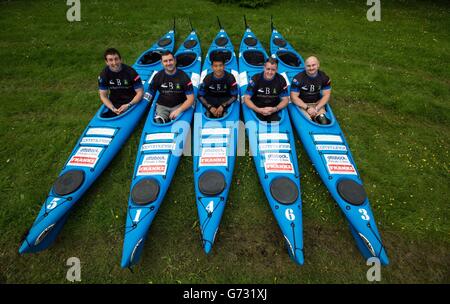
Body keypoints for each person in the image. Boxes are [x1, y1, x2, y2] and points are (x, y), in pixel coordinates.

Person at [144, 50, 194, 124]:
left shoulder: (184, 77)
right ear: (162, 63)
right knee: (158, 122)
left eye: (170, 60)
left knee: (177, 123)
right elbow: (150, 92)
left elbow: (191, 99)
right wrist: (143, 104)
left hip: (179, 105)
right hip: (162, 106)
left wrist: (179, 110)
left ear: (175, 61)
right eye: (165, 61)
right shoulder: (157, 76)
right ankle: (162, 119)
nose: (168, 63)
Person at [98, 48, 144, 118]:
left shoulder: (131, 72)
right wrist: (113, 108)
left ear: (121, 59)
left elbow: (140, 93)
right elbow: (103, 96)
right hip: (115, 102)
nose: (114, 63)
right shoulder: (103, 75)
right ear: (106, 62)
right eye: (110, 60)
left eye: (116, 59)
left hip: (131, 100)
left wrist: (129, 105)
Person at [244, 57, 289, 122]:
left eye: (273, 70)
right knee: (259, 127)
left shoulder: (281, 80)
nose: (270, 72)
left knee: (275, 128)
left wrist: (275, 109)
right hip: (257, 106)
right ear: (264, 68)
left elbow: (285, 99)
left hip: (273, 108)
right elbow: (246, 98)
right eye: (268, 69)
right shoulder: (255, 79)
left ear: (277, 70)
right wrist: (257, 109)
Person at [290, 56, 331, 124]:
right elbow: (293, 97)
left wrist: (316, 108)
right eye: (308, 66)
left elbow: (326, 95)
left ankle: (318, 117)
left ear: (318, 65)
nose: (311, 68)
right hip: (302, 104)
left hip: (317, 103)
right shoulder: (298, 79)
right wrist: (307, 108)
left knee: (324, 122)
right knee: (308, 122)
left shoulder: (325, 78)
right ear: (305, 67)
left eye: (313, 65)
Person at [198, 54, 238, 118]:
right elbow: (200, 95)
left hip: (225, 100)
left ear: (224, 66)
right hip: (210, 100)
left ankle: (225, 113)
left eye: (220, 65)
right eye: (215, 66)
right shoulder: (207, 78)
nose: (218, 68)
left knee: (226, 115)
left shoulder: (231, 78)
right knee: (207, 115)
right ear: (212, 67)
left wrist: (223, 106)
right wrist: (209, 107)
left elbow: (234, 96)